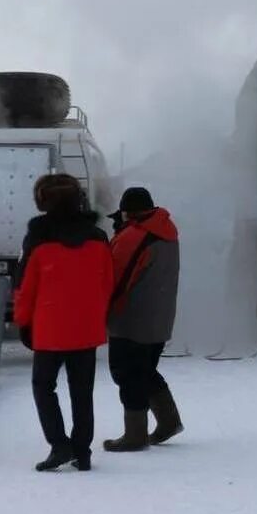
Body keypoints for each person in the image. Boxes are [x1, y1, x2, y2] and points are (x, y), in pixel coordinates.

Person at [14, 174, 114, 472]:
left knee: (43, 387)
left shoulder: (38, 240)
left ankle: (59, 445)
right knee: (82, 392)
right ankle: (82, 452)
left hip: (49, 329)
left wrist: (23, 321)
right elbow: (108, 283)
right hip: (86, 329)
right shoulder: (98, 238)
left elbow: (25, 285)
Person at [103, 186, 182, 452]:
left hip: (131, 320)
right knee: (145, 370)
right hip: (158, 318)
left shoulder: (135, 236)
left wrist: (100, 311)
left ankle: (135, 434)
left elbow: (114, 279)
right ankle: (169, 421)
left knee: (127, 374)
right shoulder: (165, 229)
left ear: (129, 213)